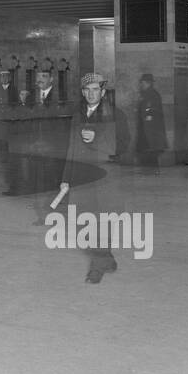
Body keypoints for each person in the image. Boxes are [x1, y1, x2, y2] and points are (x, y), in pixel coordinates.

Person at [56, 72, 130, 284]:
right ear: (82, 92)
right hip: (81, 179)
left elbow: (125, 145)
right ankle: (106, 258)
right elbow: (71, 147)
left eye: (96, 89)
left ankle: (96, 269)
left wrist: (99, 138)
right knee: (83, 224)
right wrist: (66, 178)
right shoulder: (77, 115)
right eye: (87, 90)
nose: (91, 94)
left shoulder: (117, 115)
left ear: (103, 92)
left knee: (102, 223)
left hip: (105, 180)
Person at [19, 66, 69, 222]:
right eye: (38, 76)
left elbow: (63, 126)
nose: (40, 79)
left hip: (52, 147)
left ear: (52, 79)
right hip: (34, 147)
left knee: (52, 179)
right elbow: (24, 121)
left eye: (44, 76)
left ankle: (51, 212)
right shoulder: (30, 98)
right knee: (35, 179)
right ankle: (39, 208)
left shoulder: (61, 97)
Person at [134, 72, 167, 170]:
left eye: (143, 83)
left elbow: (154, 112)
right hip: (145, 129)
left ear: (148, 83)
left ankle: (151, 172)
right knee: (146, 152)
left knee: (150, 153)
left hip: (150, 131)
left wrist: (148, 117)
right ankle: (149, 171)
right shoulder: (145, 94)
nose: (141, 85)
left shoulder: (153, 94)